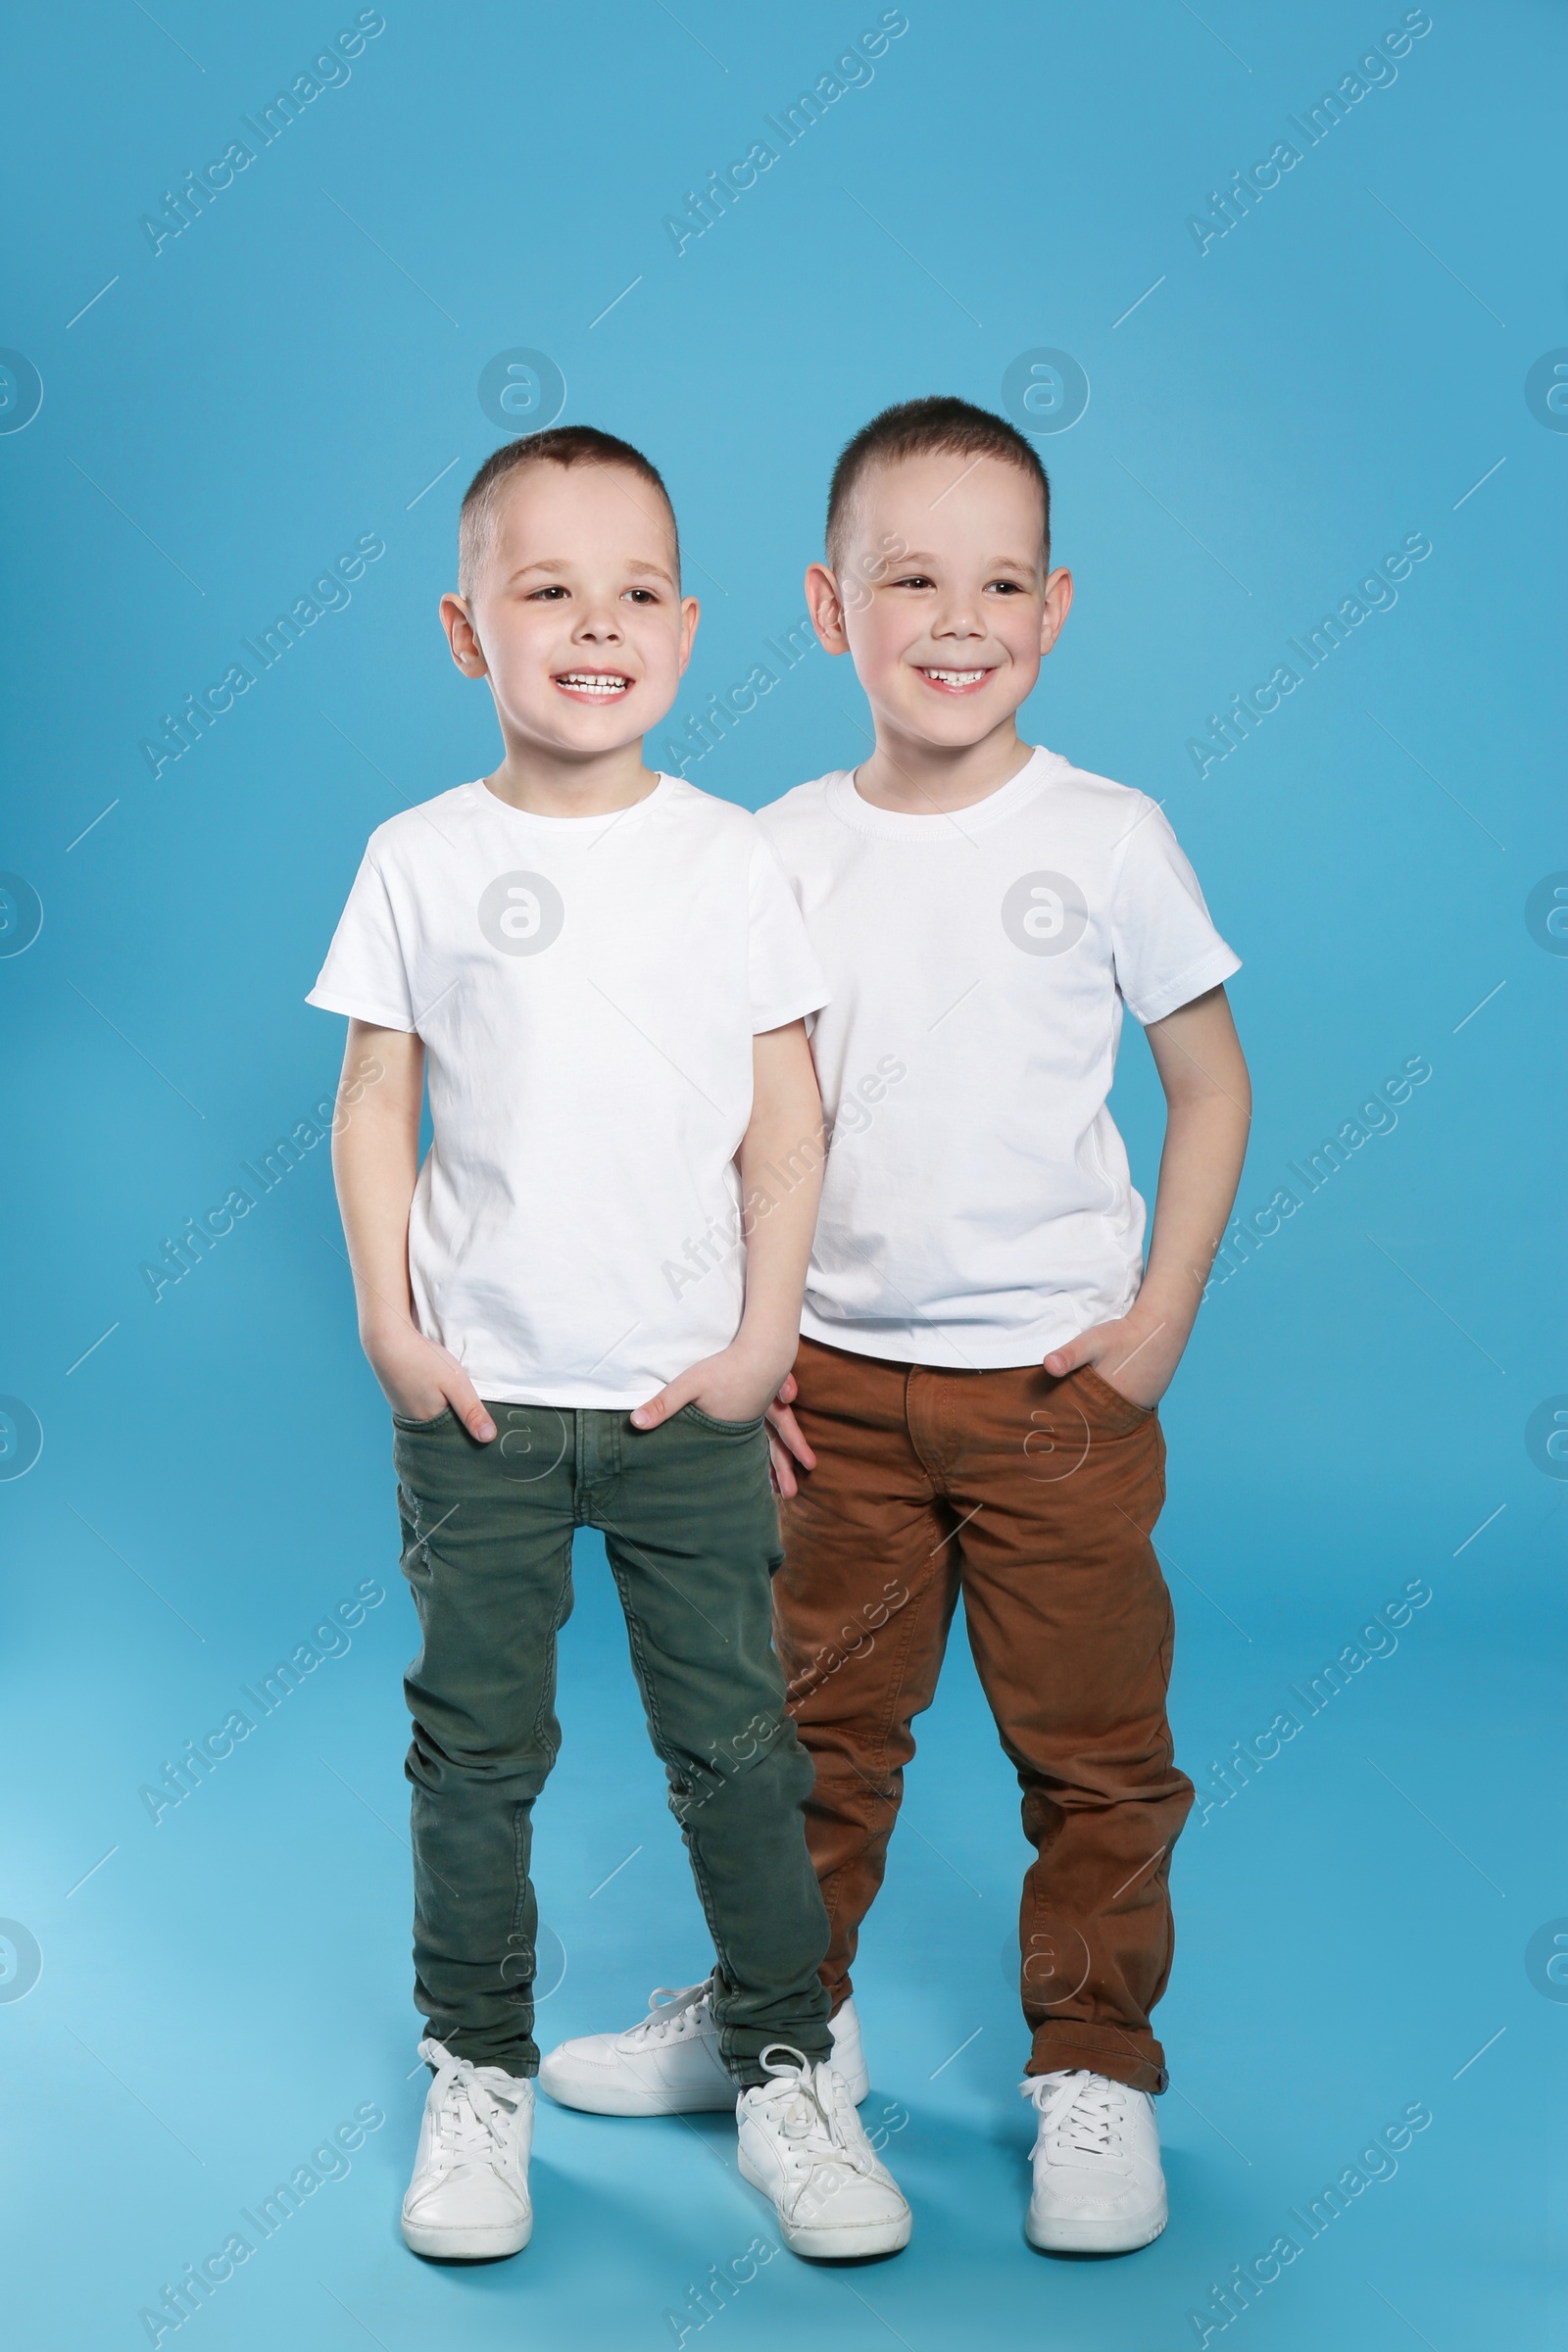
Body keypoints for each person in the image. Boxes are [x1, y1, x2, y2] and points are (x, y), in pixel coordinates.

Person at [541, 397, 1250, 2257]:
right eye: (909, 577)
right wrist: (745, 1334)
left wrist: (1159, 1311)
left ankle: (1093, 2072)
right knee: (802, 1733)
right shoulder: (775, 850)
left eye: (999, 580)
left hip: (1054, 1396)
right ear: (825, 604)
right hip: (834, 1394)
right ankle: (791, 2025)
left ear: (1058, 602)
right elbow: (742, 1119)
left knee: (1094, 1750)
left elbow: (1212, 1081)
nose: (957, 617)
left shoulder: (1105, 838)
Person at [308, 423, 910, 2263]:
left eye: (635, 588)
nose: (595, 623)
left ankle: (787, 2061)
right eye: (544, 588)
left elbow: (789, 1118)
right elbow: (374, 1095)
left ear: (691, 621)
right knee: (476, 1753)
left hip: (684, 1408)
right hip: (480, 1408)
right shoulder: (417, 858)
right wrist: (389, 1326)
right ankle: (476, 2072)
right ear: (462, 627)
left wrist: (759, 1341)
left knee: (737, 1743)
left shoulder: (731, 862)